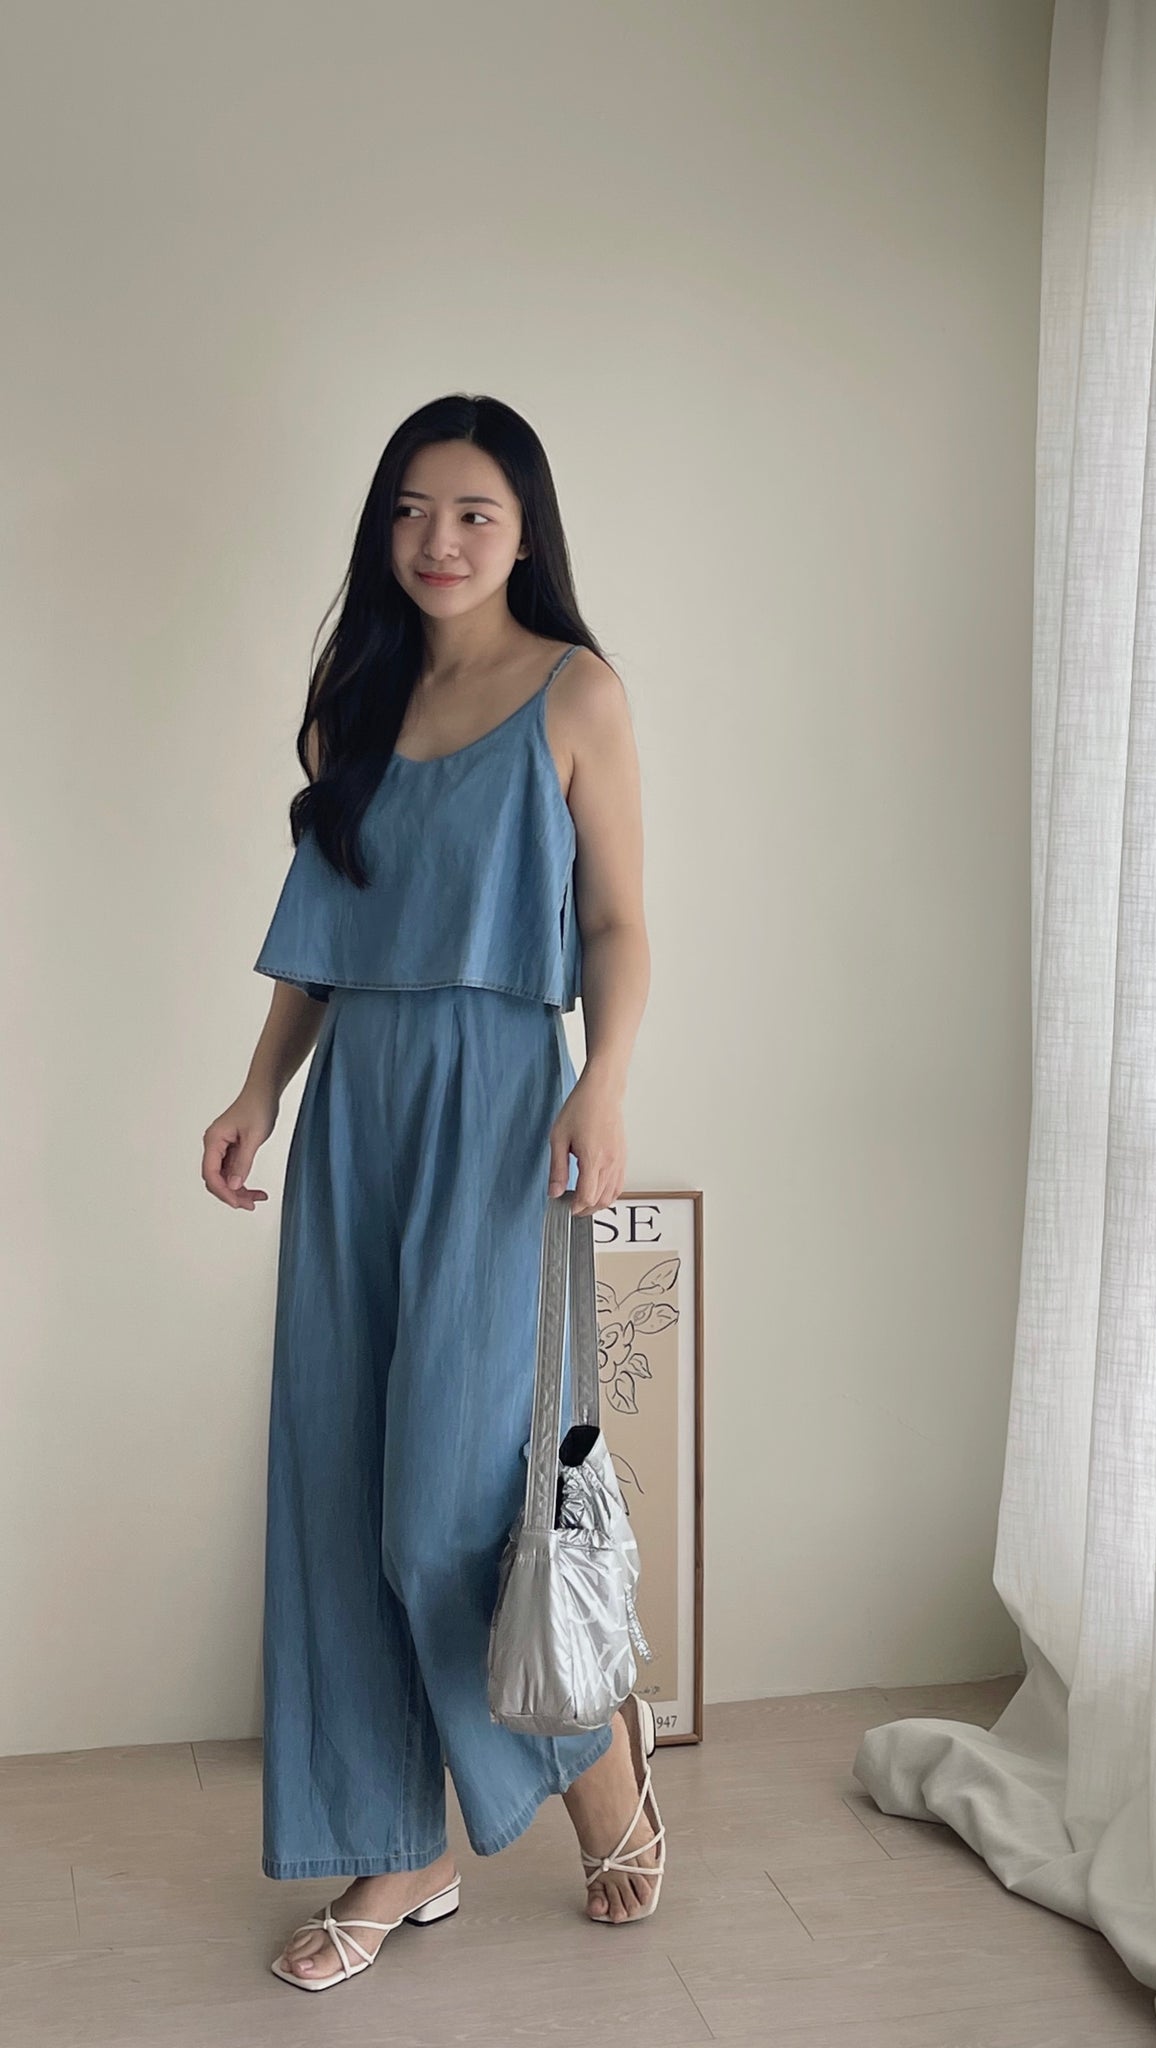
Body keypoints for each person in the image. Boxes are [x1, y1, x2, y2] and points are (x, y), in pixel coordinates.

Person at [200, 394, 664, 1991]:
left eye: (471, 512)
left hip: (500, 1111)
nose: (437, 540)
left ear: (524, 530)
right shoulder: (356, 704)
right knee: (340, 1493)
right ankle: (401, 1850)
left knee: (443, 1512)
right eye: (409, 509)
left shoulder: (576, 691)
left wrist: (605, 1080)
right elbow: (321, 940)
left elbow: (617, 923)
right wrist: (261, 1090)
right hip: (358, 1112)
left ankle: (598, 1768)